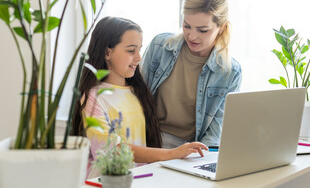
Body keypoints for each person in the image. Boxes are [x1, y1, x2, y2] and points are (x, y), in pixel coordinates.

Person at [71, 16, 208, 178]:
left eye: (139, 49)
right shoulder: (93, 97)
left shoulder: (138, 91)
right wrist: (171, 153)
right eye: (131, 50)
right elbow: (111, 150)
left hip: (140, 179)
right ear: (108, 52)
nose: (139, 58)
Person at [141, 0, 242, 148]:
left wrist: (196, 160)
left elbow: (215, 134)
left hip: (192, 150)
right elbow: (136, 99)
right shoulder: (160, 47)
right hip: (148, 141)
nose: (192, 36)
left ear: (221, 28)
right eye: (187, 26)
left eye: (203, 30)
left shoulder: (230, 72)